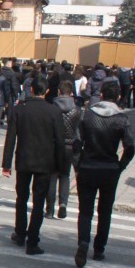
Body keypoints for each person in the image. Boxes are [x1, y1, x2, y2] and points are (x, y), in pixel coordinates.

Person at [72, 81, 135, 268]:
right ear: (117, 97)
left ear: (100, 95)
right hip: (109, 169)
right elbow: (130, 147)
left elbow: (76, 143)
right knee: (105, 211)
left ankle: (83, 242)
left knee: (85, 211)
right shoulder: (122, 119)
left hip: (88, 167)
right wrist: (120, 166)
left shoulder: (88, 116)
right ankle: (99, 249)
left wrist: (77, 165)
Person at [1, 78, 65, 255]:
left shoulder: (19, 110)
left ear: (31, 90)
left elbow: (11, 138)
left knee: (21, 198)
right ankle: (33, 241)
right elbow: (60, 141)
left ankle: (20, 234)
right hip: (45, 163)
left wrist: (6, 164)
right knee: (38, 202)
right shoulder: (54, 112)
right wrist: (61, 166)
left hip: (23, 160)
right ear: (45, 92)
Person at [46, 80, 82, 220]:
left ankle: (49, 209)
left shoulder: (52, 109)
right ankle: (63, 204)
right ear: (71, 93)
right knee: (65, 175)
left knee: (52, 177)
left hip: (54, 145)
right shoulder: (77, 110)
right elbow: (80, 131)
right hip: (70, 146)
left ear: (59, 92)